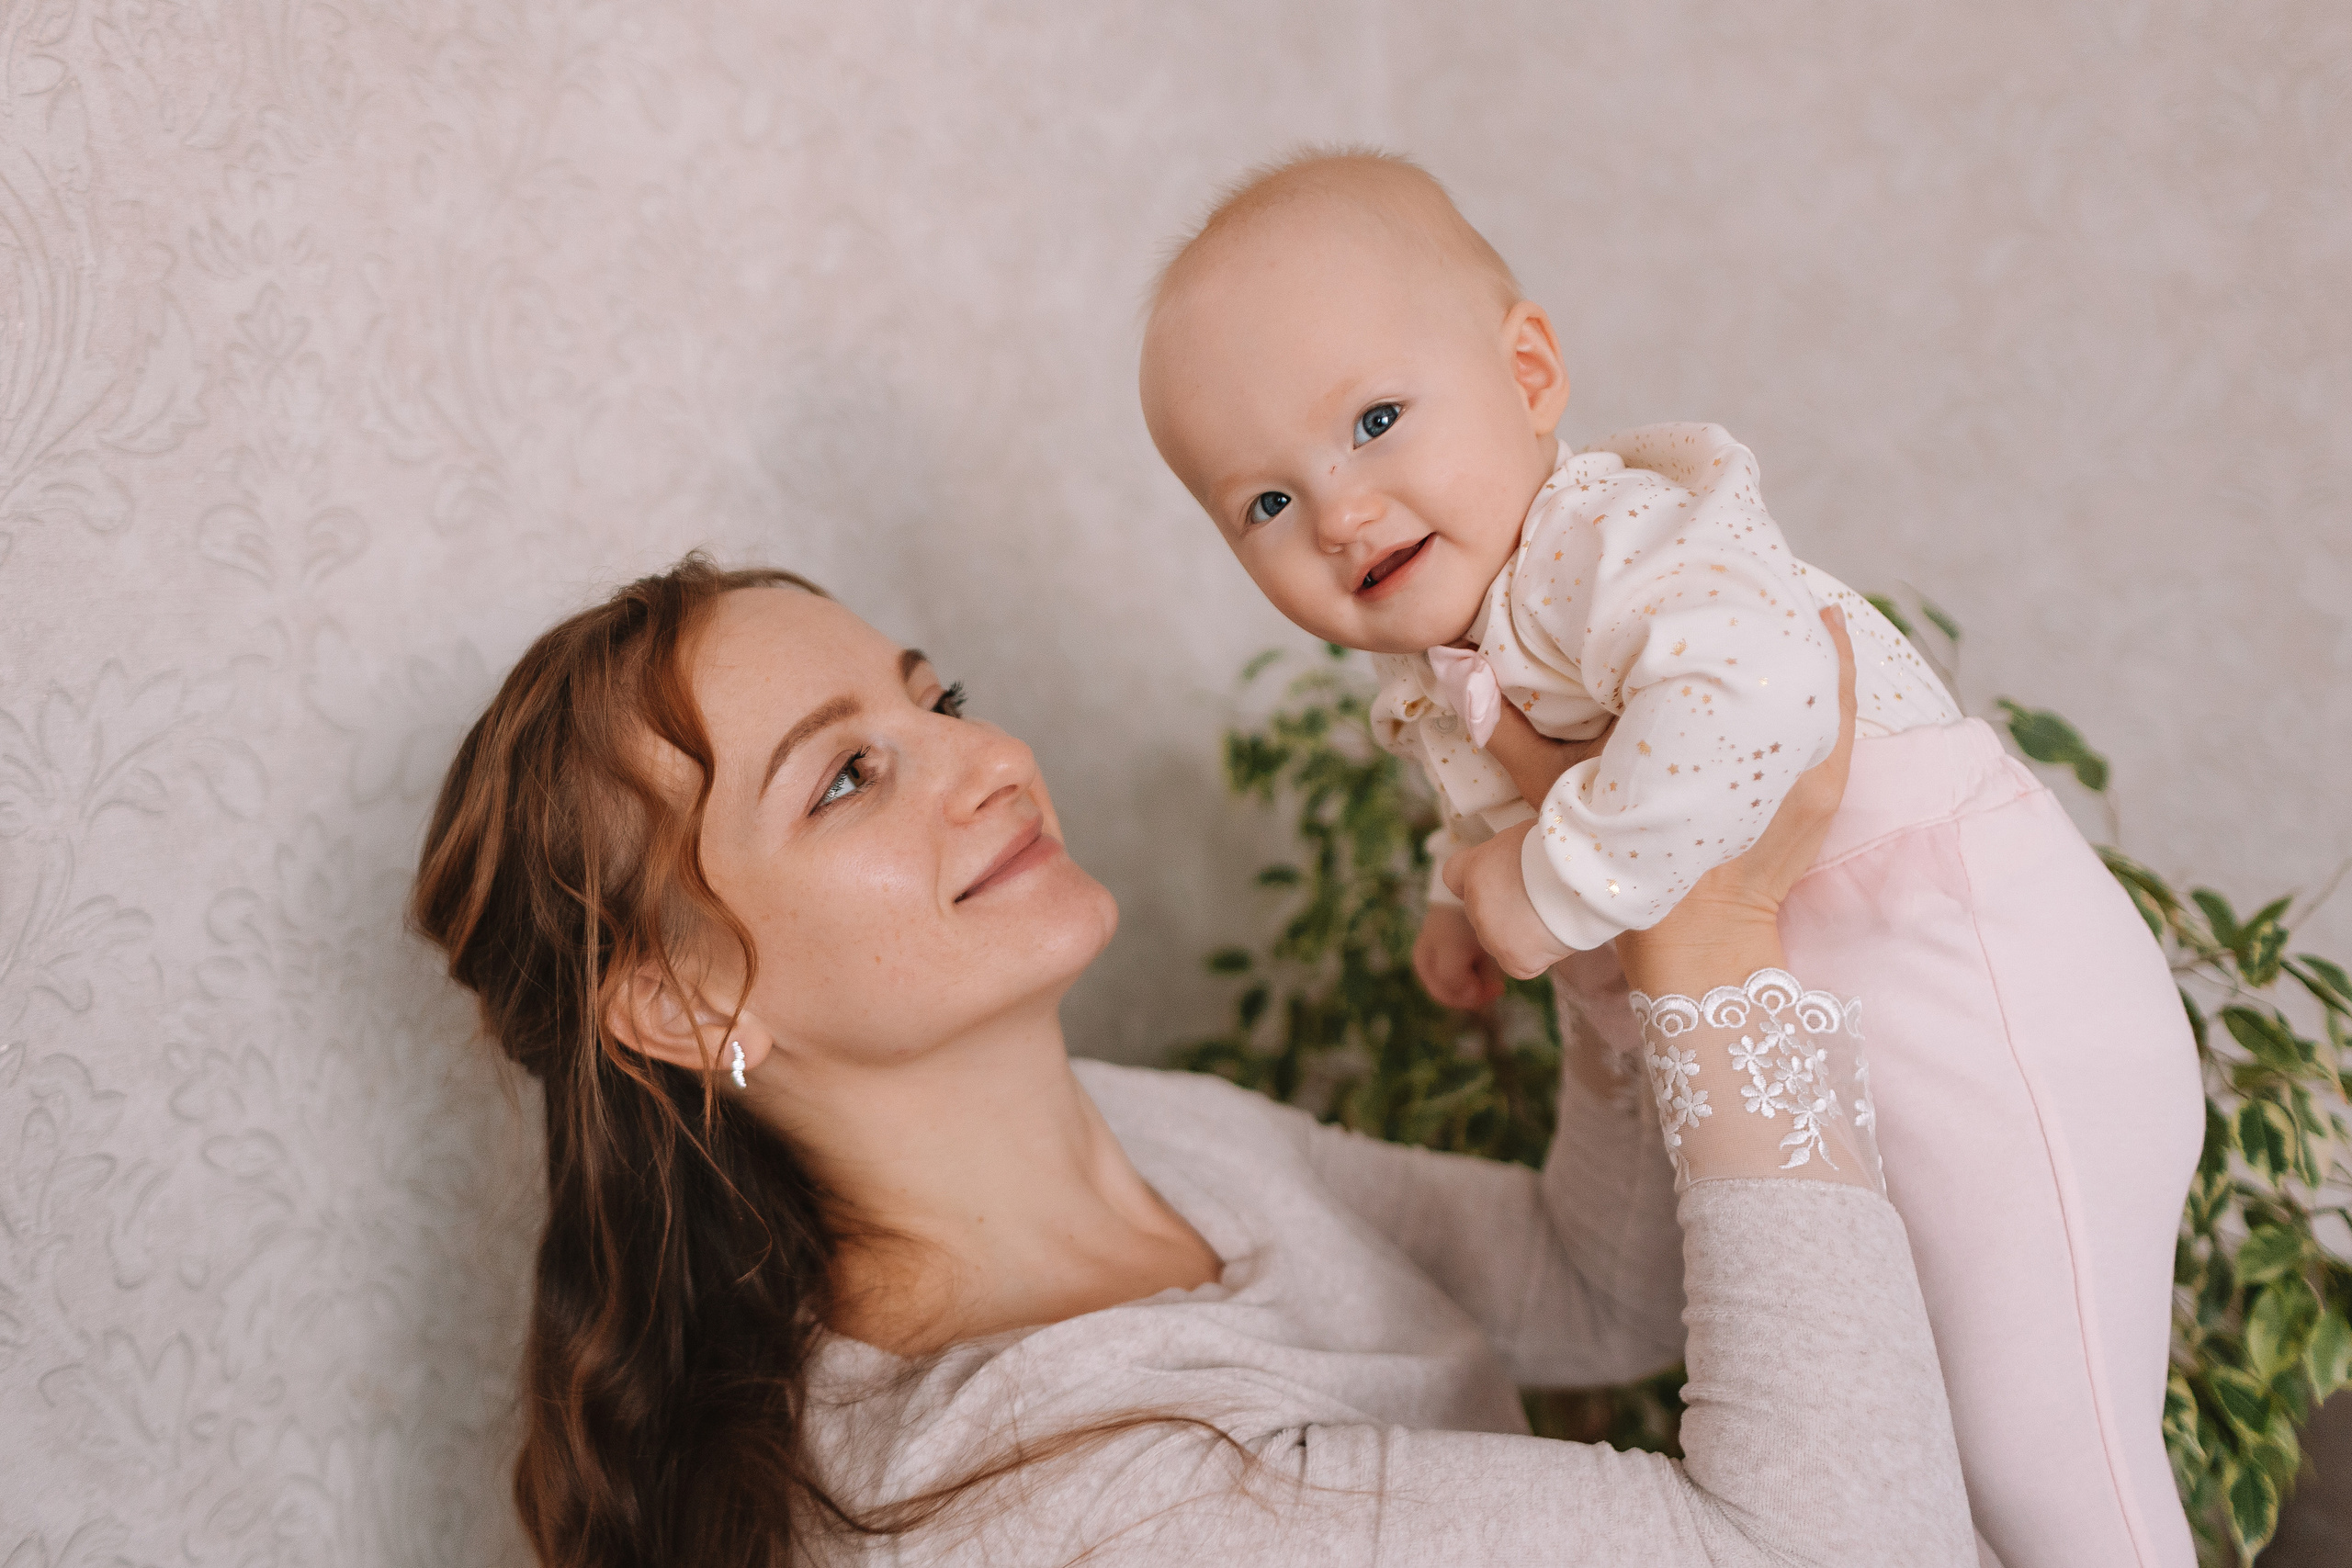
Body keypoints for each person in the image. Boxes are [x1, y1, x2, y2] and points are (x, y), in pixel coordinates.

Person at [413, 554, 1980, 1565]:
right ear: (683, 1012)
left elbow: (1593, 1286)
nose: (985, 759)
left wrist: (1588, 907)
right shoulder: (1066, 1506)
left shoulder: (1153, 1136)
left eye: (935, 697)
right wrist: (1711, 937)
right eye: (844, 781)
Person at [1136, 149, 2201, 1568]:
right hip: (1872, 1031)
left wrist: (1543, 886)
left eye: (1377, 420)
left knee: (2055, 1474)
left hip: (1995, 1006)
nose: (1336, 511)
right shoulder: (1468, 639)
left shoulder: (1608, 540)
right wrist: (1465, 893)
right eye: (1262, 504)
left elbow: (1751, 701)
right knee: (1950, 1453)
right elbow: (1522, 793)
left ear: (1529, 377)